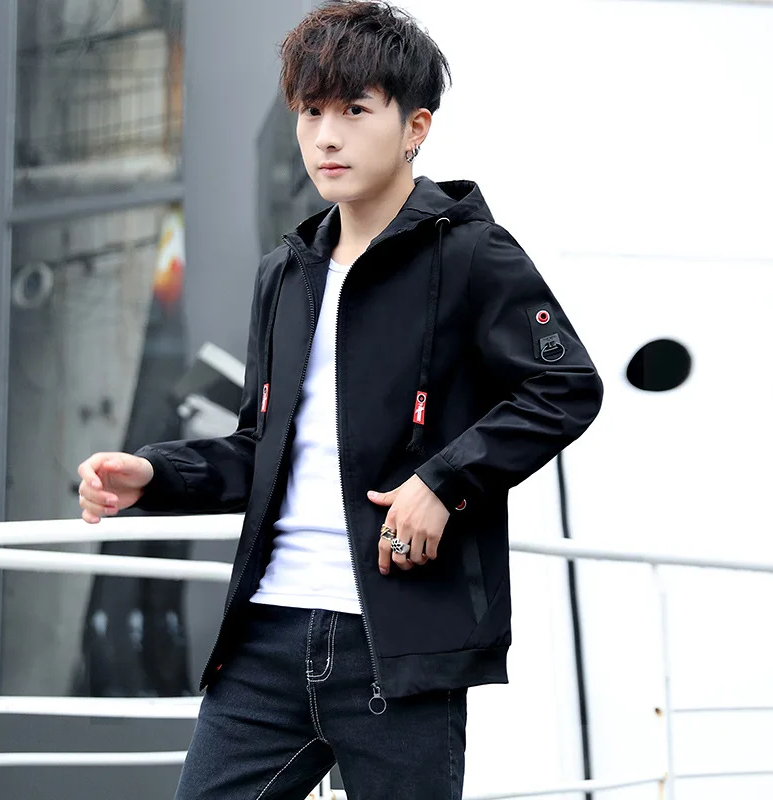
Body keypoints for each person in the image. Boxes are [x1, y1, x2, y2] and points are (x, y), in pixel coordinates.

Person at [77, 2, 603, 797]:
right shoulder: (285, 273)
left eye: (355, 110)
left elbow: (564, 386)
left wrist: (442, 483)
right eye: (311, 111)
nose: (326, 136)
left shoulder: (471, 254)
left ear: (415, 127)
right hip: (263, 640)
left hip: (397, 648)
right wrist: (155, 474)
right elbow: (260, 449)